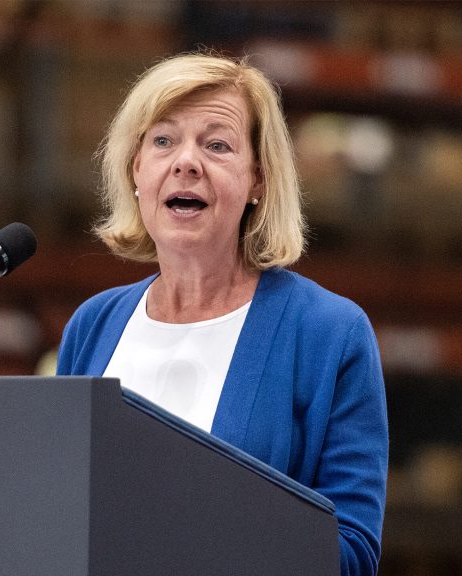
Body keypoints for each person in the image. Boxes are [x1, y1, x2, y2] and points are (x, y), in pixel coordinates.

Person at [57, 52, 388, 574]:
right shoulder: (93, 325)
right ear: (136, 168)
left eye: (217, 145)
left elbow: (353, 554)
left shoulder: (329, 332)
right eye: (163, 141)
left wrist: (202, 529)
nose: (186, 162)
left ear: (257, 179)